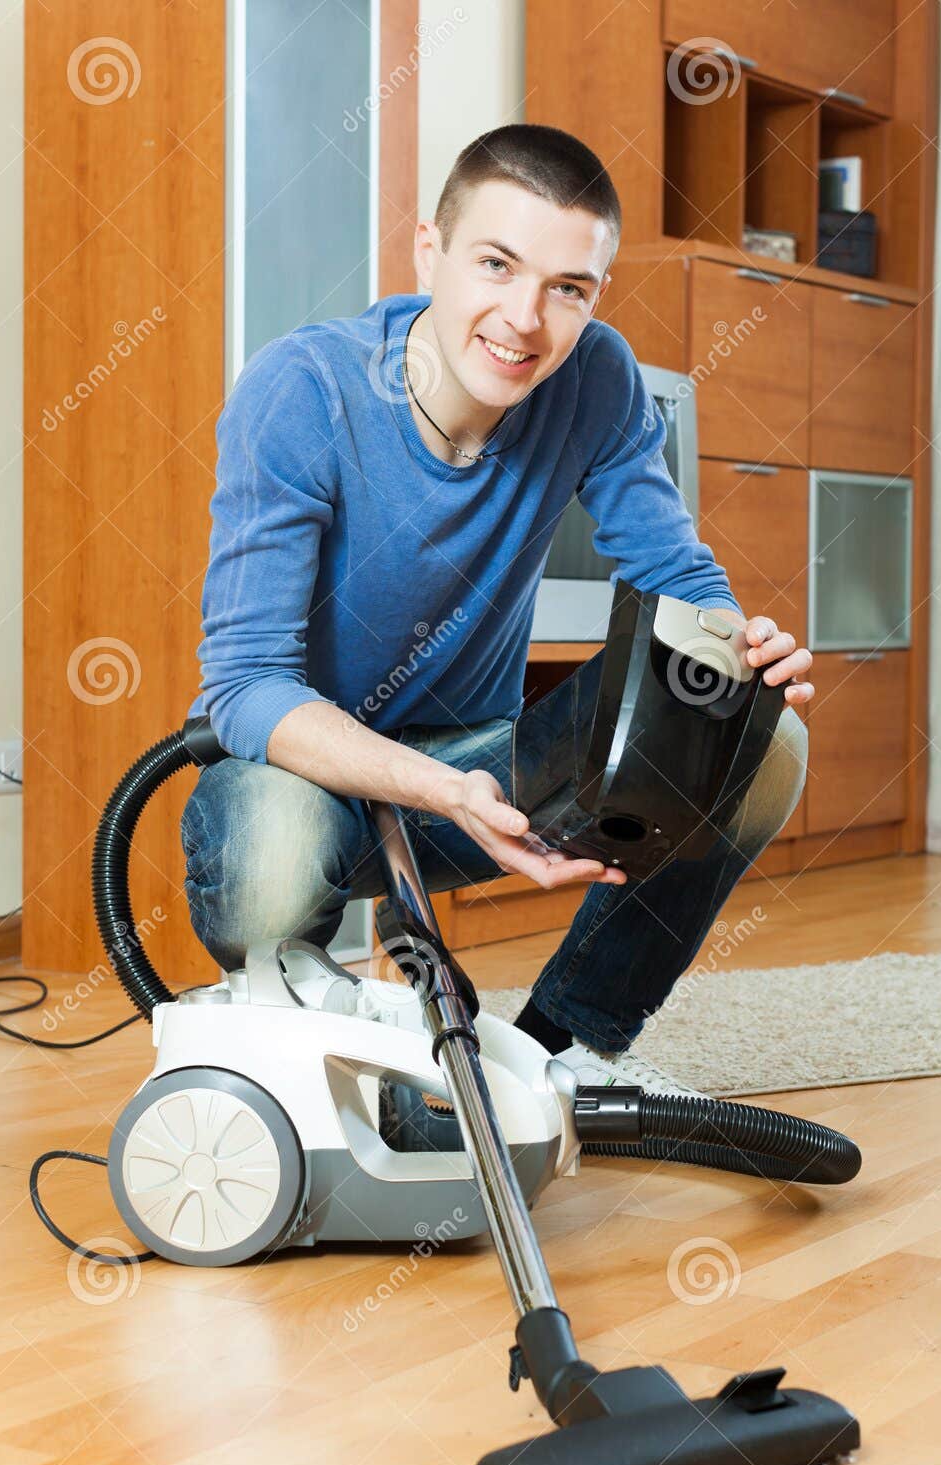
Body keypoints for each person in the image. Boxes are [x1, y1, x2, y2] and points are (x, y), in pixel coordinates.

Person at [183, 123, 814, 1095]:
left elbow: (675, 572)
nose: (526, 319)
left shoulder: (595, 379)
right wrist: (439, 792)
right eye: (495, 264)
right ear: (430, 251)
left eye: (569, 288)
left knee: (759, 742)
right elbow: (246, 688)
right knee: (271, 852)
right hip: (303, 778)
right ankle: (287, 998)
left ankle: (560, 1051)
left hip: (480, 766)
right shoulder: (302, 390)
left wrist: (734, 657)